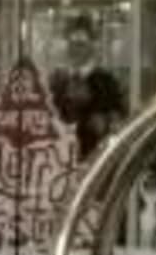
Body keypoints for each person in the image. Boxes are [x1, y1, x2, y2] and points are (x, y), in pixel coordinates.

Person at [48, 14, 127, 158]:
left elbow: (119, 119)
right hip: (61, 156)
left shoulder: (107, 82)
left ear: (91, 46)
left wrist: (105, 123)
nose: (76, 49)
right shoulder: (57, 82)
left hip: (95, 157)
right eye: (72, 43)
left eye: (81, 44)